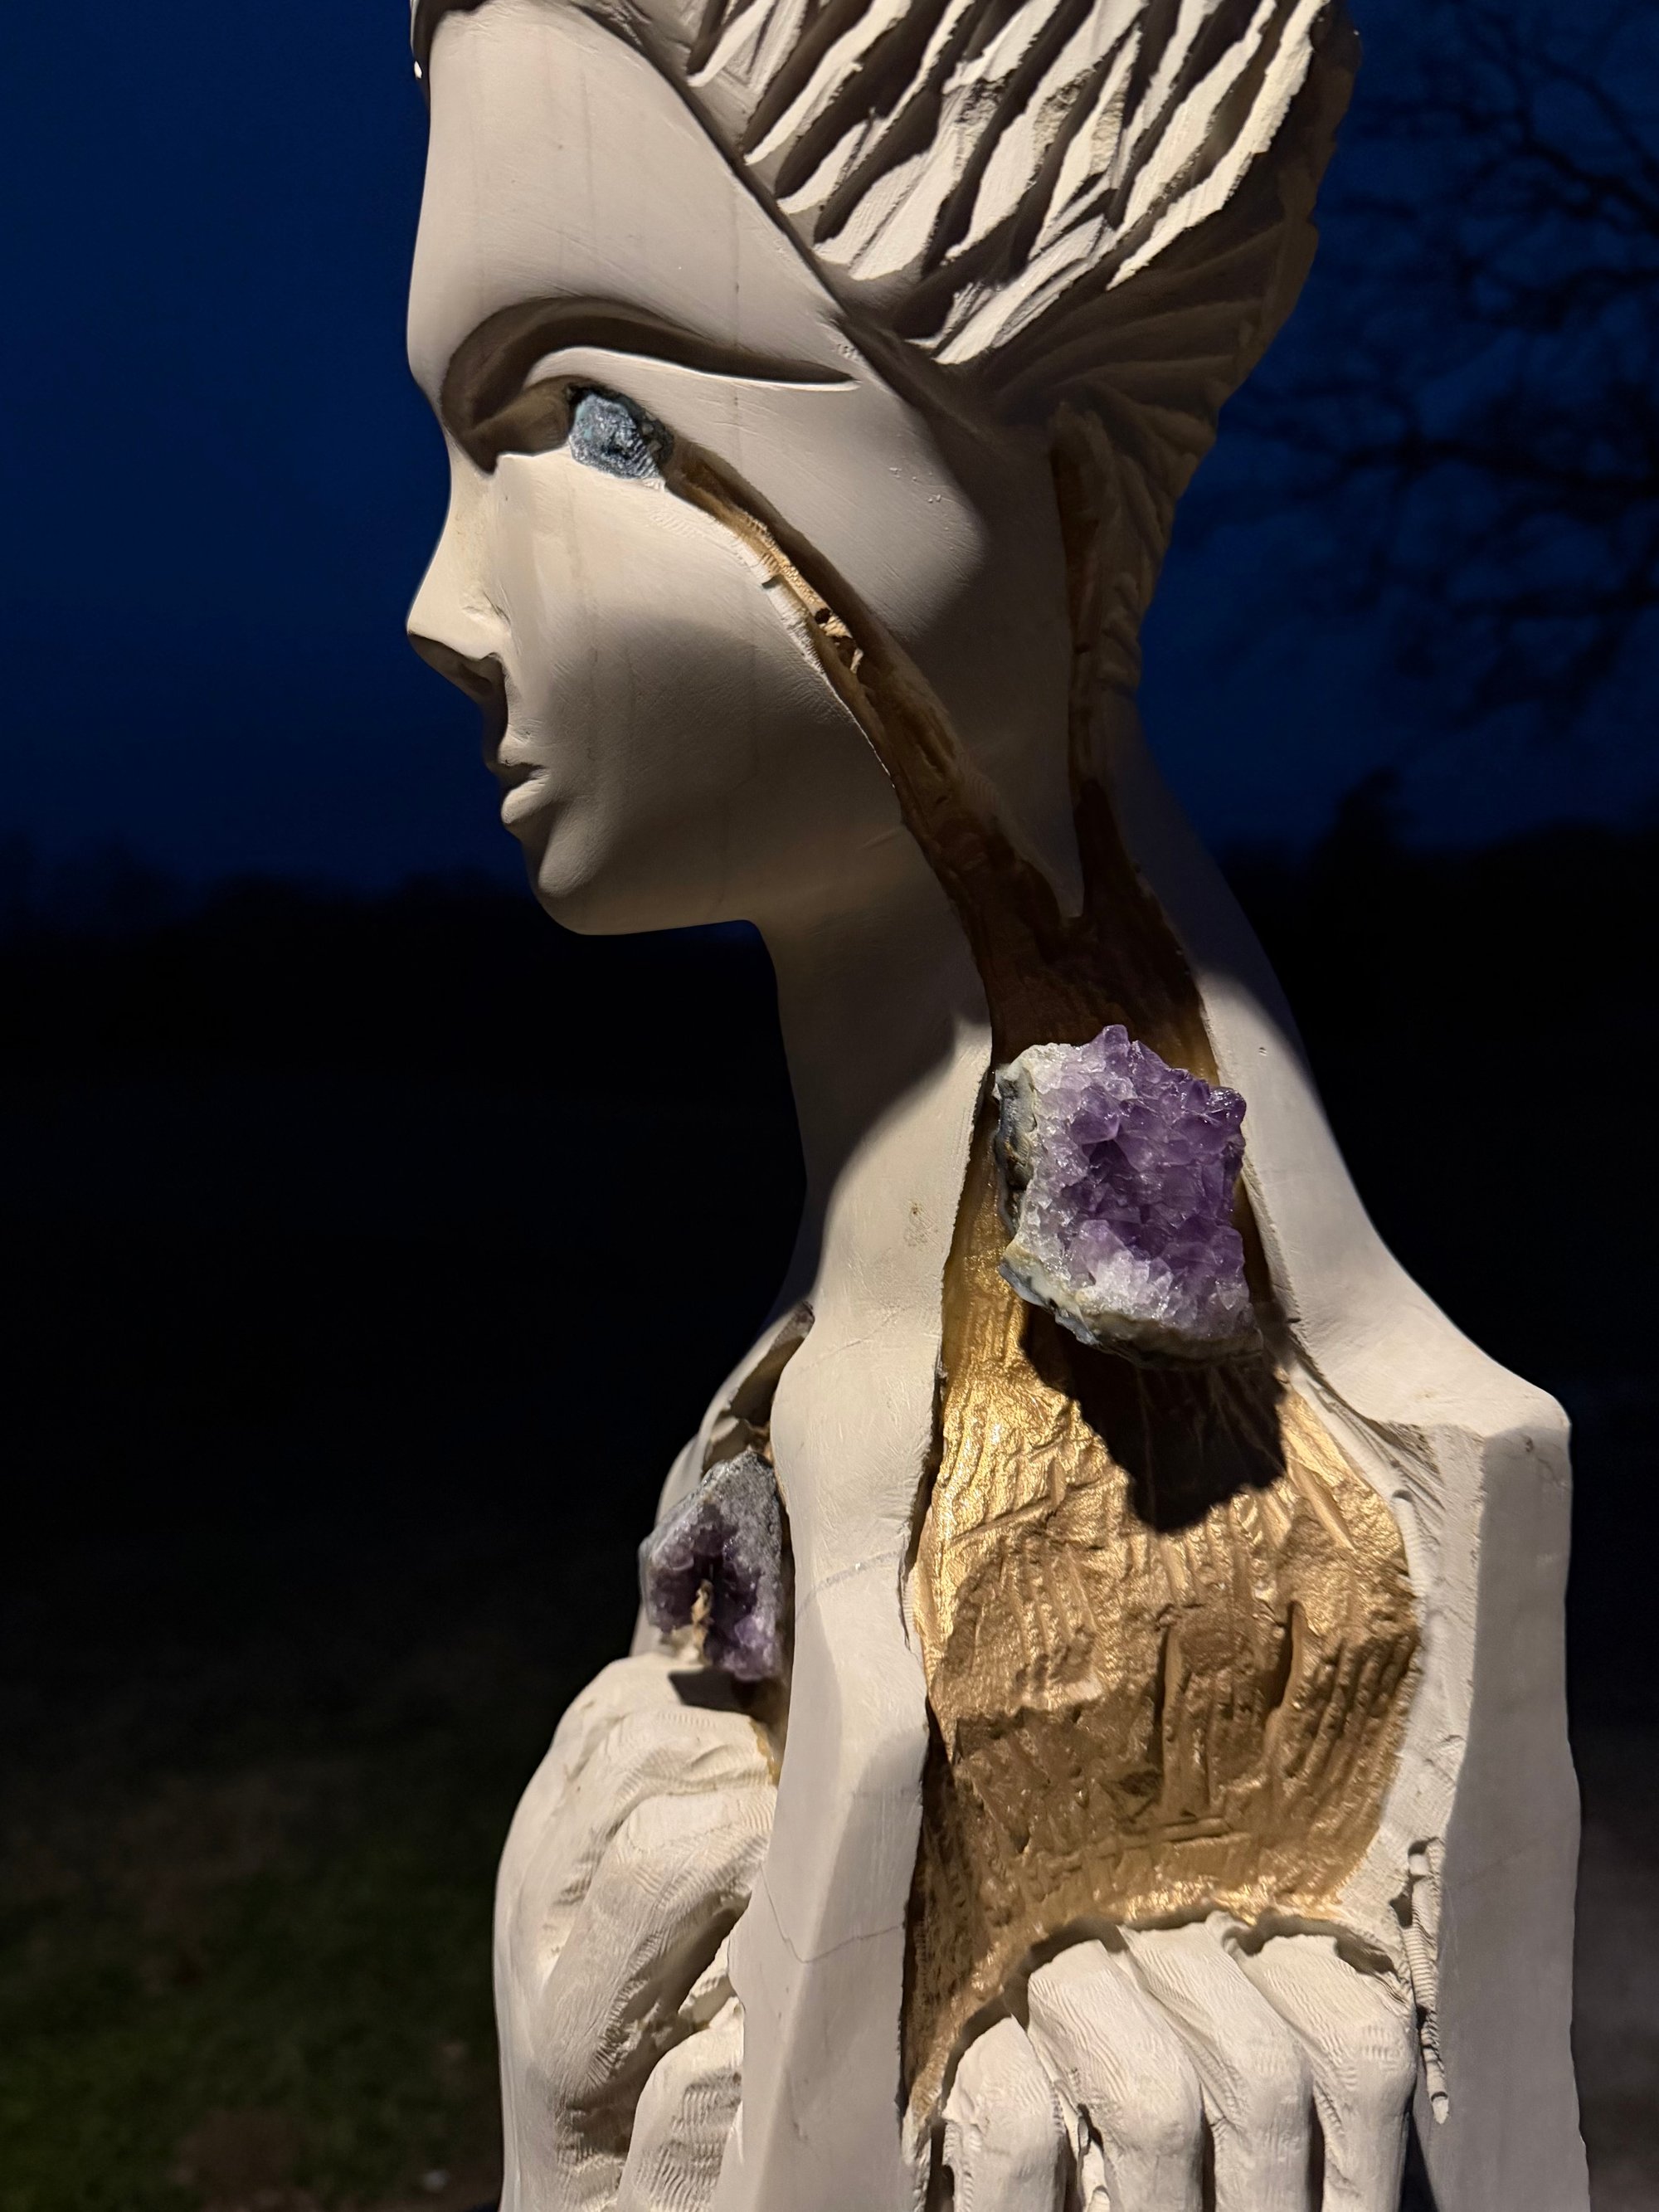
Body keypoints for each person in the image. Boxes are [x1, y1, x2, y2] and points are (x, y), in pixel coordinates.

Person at [404, 0, 1586, 2205]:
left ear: (1036, 466)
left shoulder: (1357, 1439)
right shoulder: (844, 1314)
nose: (442, 607)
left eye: (580, 417)